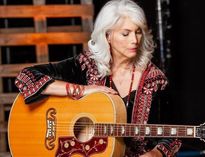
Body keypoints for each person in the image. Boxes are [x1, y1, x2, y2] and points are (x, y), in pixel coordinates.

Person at [15, 0, 181, 156]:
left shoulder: (156, 81)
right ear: (108, 35)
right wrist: (83, 90)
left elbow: (173, 134)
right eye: (126, 34)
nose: (134, 40)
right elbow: (26, 77)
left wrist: (156, 153)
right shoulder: (85, 65)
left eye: (138, 33)